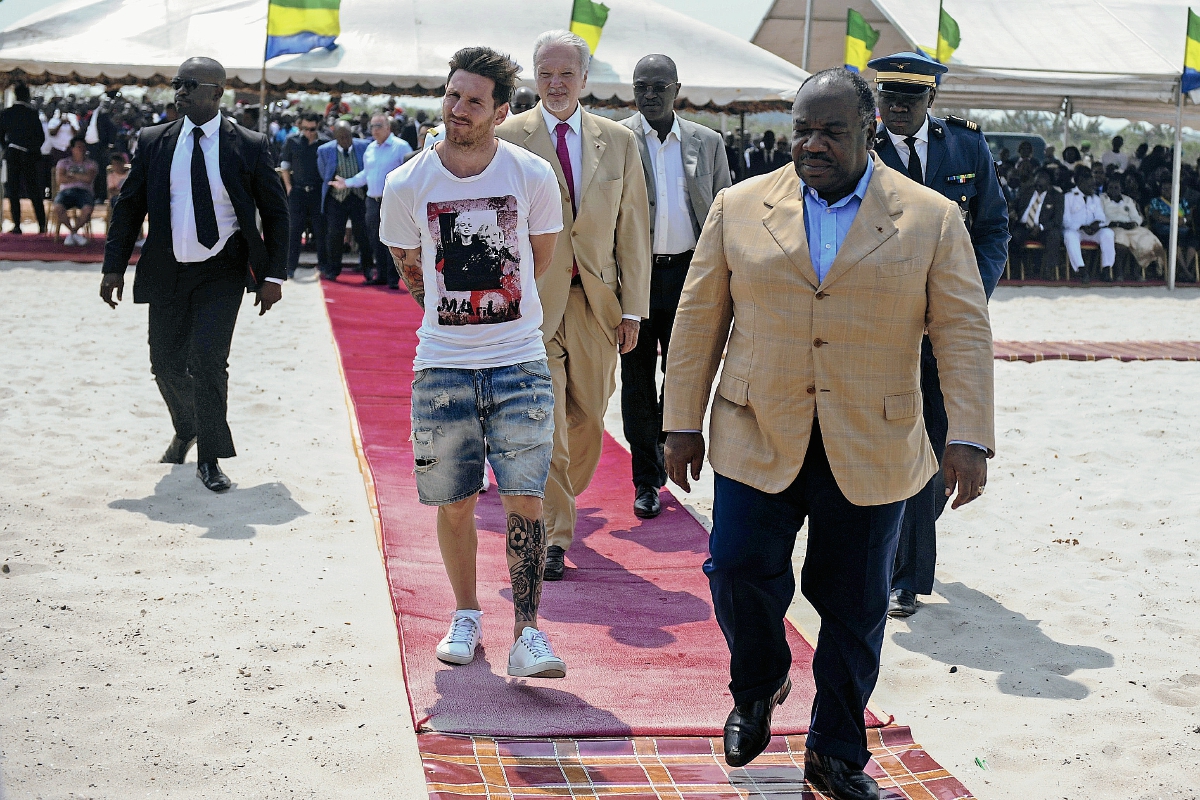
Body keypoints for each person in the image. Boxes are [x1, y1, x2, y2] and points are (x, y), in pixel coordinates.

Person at [662, 68, 994, 796]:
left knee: (852, 605)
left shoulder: (932, 217)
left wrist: (968, 433)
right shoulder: (739, 206)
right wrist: (680, 420)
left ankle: (836, 752)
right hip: (756, 429)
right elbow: (698, 321)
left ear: (870, 130)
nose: (811, 144)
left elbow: (963, 331)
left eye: (830, 132)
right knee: (738, 568)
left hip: (874, 439)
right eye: (802, 130)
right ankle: (760, 683)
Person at [379, 45, 568, 678]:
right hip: (441, 366)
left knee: (526, 500)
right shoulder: (407, 182)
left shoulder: (532, 176)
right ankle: (466, 613)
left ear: (501, 110)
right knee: (453, 501)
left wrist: (496, 314)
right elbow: (410, 271)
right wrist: (457, 318)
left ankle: (528, 631)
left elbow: (539, 259)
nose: (458, 109)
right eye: (453, 95)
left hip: (520, 363)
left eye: (474, 101)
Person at [496, 30, 651, 581]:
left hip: (598, 305)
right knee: (546, 420)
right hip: (534, 306)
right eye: (545, 73)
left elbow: (633, 227)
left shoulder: (619, 140)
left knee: (588, 416)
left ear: (585, 79)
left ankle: (564, 490)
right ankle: (556, 535)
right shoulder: (508, 136)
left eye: (566, 74)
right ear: (532, 78)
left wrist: (633, 308)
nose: (555, 84)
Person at [100, 57, 289, 492]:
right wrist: (113, 267)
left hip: (223, 271)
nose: (179, 91)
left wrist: (273, 276)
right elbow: (129, 208)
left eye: (189, 84)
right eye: (176, 84)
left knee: (207, 362)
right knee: (164, 363)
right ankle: (187, 427)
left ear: (216, 93)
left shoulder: (249, 143)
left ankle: (209, 458)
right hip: (167, 269)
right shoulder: (153, 141)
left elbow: (277, 214)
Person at [867, 50, 1008, 618]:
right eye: (888, 99)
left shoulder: (966, 147)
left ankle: (906, 561)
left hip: (943, 327)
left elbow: (994, 225)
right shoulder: (862, 148)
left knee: (935, 445)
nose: (897, 109)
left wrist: (972, 295)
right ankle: (903, 576)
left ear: (932, 100)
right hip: (879, 323)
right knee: (889, 445)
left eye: (910, 99)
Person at [618, 54, 730, 519]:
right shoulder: (619, 140)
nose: (650, 95)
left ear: (676, 89)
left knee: (681, 373)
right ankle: (645, 480)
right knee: (637, 379)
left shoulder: (708, 142)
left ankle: (668, 444)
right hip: (637, 279)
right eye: (641, 86)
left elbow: (725, 210)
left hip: (691, 277)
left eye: (659, 86)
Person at [329, 112, 413, 286]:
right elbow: (366, 175)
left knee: (393, 241)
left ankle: (393, 279)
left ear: (388, 128)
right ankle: (380, 275)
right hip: (372, 200)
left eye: (378, 126)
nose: (374, 130)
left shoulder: (401, 147)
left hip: (393, 201)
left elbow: (410, 174)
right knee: (375, 239)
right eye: (372, 127)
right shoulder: (370, 148)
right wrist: (347, 183)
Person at [317, 120, 372, 281]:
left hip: (358, 196)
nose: (345, 140)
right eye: (341, 137)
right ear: (335, 138)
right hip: (336, 198)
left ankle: (367, 267)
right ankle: (333, 269)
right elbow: (324, 173)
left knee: (362, 233)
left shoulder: (364, 146)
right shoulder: (324, 150)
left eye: (348, 136)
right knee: (335, 234)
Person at [280, 112, 330, 277]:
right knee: (294, 231)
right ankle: (290, 266)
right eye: (306, 128)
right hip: (298, 191)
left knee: (320, 231)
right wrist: (289, 187)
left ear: (317, 126)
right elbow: (285, 166)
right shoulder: (292, 141)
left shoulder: (325, 143)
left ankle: (323, 265)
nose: (309, 132)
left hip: (317, 192)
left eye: (312, 129)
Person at [0, 84, 47, 234]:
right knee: (33, 190)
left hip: (12, 153)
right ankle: (41, 224)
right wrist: (31, 149)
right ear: (27, 96)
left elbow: (1, 135)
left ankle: (17, 225)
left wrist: (8, 146)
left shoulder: (7, 113)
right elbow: (40, 137)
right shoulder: (32, 113)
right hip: (29, 155)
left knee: (13, 190)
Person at [1101, 178, 1166, 279]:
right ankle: (1119, 272)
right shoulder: (1101, 199)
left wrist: (1134, 223)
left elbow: (1136, 216)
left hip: (1129, 226)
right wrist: (1117, 223)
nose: (1113, 190)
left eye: (1116, 187)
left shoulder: (1128, 200)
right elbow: (1100, 216)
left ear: (1121, 189)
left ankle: (1137, 271)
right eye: (1110, 187)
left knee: (1147, 237)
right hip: (1112, 226)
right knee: (1121, 240)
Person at [1062, 171, 1114, 283]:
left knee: (1108, 233)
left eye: (1094, 185)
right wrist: (1081, 227)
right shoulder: (1068, 197)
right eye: (1090, 185)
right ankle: (1082, 270)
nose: (1093, 188)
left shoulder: (1095, 198)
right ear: (1080, 183)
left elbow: (1101, 216)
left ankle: (1106, 269)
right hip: (1076, 230)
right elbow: (1065, 220)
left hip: (1092, 231)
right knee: (1069, 236)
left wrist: (1097, 224)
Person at [1011, 168, 1063, 277]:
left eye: (1041, 186)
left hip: (1043, 229)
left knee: (1054, 235)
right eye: (1036, 185)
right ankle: (1016, 270)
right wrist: (1012, 212)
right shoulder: (1026, 190)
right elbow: (1013, 205)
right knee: (1013, 236)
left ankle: (1049, 270)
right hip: (1024, 226)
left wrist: (1041, 227)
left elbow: (1057, 220)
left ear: (1048, 185)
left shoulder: (1056, 196)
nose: (1038, 188)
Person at [53, 137, 98, 245]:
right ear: (72, 149)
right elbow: (61, 179)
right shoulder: (63, 163)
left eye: (83, 147)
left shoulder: (91, 164)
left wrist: (72, 175)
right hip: (66, 191)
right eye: (78, 147)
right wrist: (81, 176)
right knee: (58, 207)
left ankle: (73, 233)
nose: (81, 149)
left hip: (84, 191)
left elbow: (89, 179)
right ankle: (73, 233)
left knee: (87, 210)